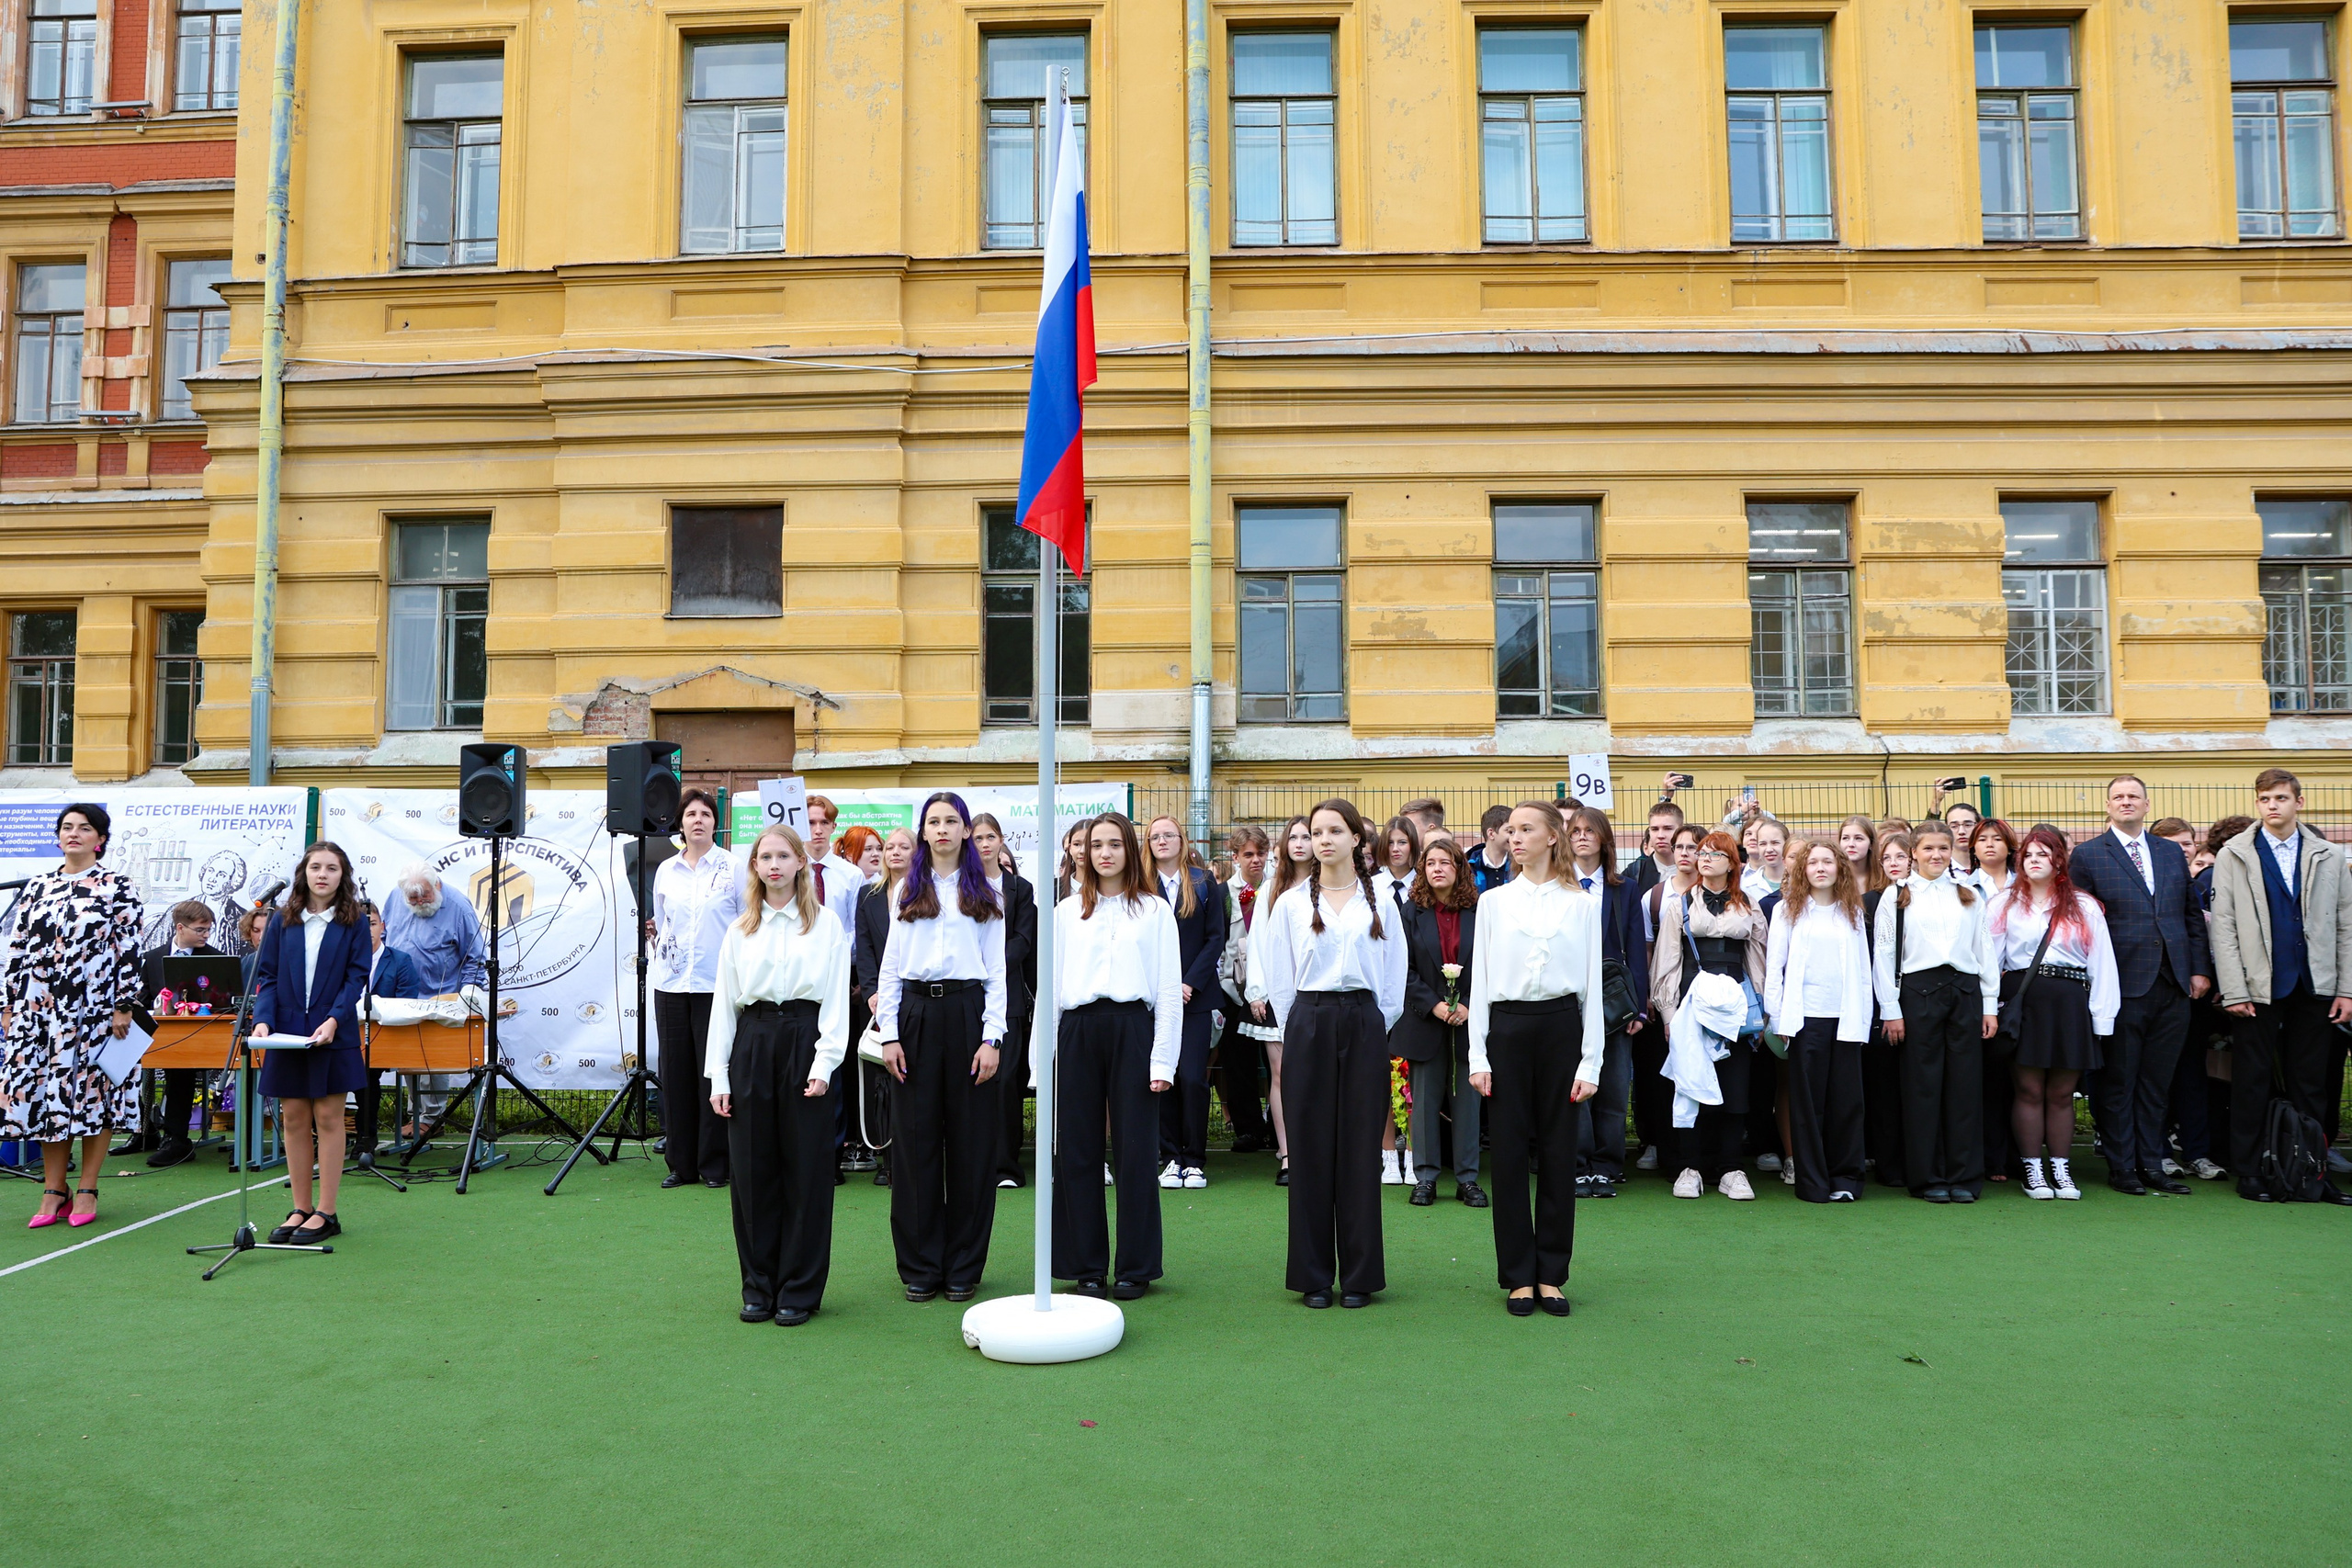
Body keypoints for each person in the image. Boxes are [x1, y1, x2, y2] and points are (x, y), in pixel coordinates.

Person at [1258, 798, 1408, 1309]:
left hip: (1365, 1022)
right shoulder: (1292, 904)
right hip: (1310, 1021)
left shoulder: (1382, 901)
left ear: (1356, 840)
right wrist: (1304, 1023)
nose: (1322, 840)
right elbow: (1280, 978)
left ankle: (1361, 1276)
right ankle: (1313, 1276)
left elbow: (1393, 979)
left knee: (1360, 1152)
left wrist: (1369, 1025)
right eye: (1315, 832)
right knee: (1311, 1149)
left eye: (1334, 831)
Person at [707, 824, 851, 1326]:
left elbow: (835, 999)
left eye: (782, 856)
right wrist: (718, 1077)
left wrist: (824, 1062)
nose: (773, 865)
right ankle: (758, 1286)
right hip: (752, 1041)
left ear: (799, 864)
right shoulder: (739, 929)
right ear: (753, 866)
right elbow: (723, 1006)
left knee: (808, 1173)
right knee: (751, 1172)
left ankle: (800, 1289)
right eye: (764, 856)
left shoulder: (826, 925)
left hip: (805, 1040)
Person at [1469, 802, 1604, 1316]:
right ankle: (1517, 1275)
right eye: (1511, 831)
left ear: (1554, 837)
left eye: (1527, 829)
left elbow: (1591, 985)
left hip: (1561, 1030)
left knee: (1557, 1150)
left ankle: (1551, 1272)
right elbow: (1479, 983)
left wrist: (1589, 1062)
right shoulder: (1494, 903)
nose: (1515, 838)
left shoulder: (1582, 903)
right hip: (1507, 1029)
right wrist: (1478, 1054)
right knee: (1505, 1155)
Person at [875, 792, 1009, 1303]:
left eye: (953, 821)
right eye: (934, 822)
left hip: (969, 1014)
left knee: (972, 1148)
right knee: (915, 1144)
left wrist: (991, 1037)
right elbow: (890, 966)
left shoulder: (988, 891)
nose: (944, 830)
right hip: (914, 1017)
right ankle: (921, 1265)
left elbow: (997, 971)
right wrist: (889, 1033)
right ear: (923, 831)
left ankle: (963, 1267)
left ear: (966, 830)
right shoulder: (906, 888)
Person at [1050, 813, 1182, 1298]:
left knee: (1135, 1153)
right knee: (1077, 1152)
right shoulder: (1065, 912)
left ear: (1130, 849)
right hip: (1078, 1030)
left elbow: (1168, 989)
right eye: (1094, 845)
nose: (1103, 853)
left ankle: (1135, 1265)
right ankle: (1085, 1265)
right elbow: (1049, 989)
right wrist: (1040, 1064)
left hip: (1133, 1028)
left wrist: (1162, 1061)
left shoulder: (1153, 911)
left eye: (1113, 844)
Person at [2208, 768, 2352, 1203]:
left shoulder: (2329, 855)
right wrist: (2234, 989)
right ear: (2258, 804)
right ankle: (2252, 1172)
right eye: (2266, 799)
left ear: (2299, 803)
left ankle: (2314, 1173)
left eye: (2281, 798)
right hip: (2256, 988)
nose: (2273, 806)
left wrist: (2346, 989)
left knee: (2313, 1084)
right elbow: (2225, 927)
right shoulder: (2235, 853)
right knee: (2251, 1081)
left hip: (2316, 985)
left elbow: (2346, 925)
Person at [2065, 775, 2212, 1196]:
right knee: (2119, 1081)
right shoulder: (2090, 855)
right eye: (2118, 797)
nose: (2126, 802)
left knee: (2156, 1082)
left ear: (2147, 805)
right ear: (2107, 807)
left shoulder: (2169, 852)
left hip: (2173, 983)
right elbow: (2081, 924)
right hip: (2121, 983)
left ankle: (2152, 1164)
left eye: (2133, 796)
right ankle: (2122, 1166)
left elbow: (2189, 915)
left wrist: (2198, 970)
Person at [3, 804, 144, 1230]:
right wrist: (9, 1004)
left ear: (100, 839)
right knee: (49, 1093)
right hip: (39, 1011)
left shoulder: (116, 886)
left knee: (93, 1094)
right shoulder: (37, 886)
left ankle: (86, 1186)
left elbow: (130, 949)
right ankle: (52, 1187)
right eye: (67, 827)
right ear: (57, 835)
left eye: (85, 828)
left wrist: (124, 1005)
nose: (74, 834)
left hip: (96, 1010)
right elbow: (18, 947)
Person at [250, 841, 372, 1246]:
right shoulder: (284, 919)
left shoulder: (352, 921)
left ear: (343, 875)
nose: (323, 874)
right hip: (287, 1032)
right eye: (316, 867)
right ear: (304, 872)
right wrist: (264, 1020)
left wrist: (335, 1019)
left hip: (331, 1030)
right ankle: (300, 1207)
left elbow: (356, 978)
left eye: (332, 868)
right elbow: (266, 976)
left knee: (329, 1118)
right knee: (294, 1118)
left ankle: (327, 1211)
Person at [1872, 822, 2000, 1203]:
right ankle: (1927, 1177)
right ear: (1913, 852)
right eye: (1928, 849)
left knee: (1964, 1087)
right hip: (1916, 995)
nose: (1936, 856)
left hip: (1964, 994)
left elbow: (1985, 950)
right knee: (1922, 1088)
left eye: (1943, 849)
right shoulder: (1896, 896)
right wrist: (1891, 1008)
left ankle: (1963, 1176)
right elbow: (1884, 955)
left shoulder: (1970, 894)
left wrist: (1990, 1004)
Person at [1990, 827, 2119, 1202]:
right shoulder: (2003, 905)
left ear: (2059, 859)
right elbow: (1989, 962)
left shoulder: (2084, 906)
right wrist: (1990, 1009)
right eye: (2028, 854)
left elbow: (2102, 965)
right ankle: (2032, 1167)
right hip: (2023, 1002)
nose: (2034, 860)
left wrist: (2102, 1019)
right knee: (2028, 1089)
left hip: (2069, 1004)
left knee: (2063, 1093)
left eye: (2043, 854)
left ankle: (2061, 1168)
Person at [1652, 830, 1770, 1200]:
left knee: (1735, 1087)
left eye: (1715, 853)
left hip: (1735, 1006)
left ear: (1732, 862)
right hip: (1691, 1005)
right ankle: (1690, 1167)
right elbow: (1667, 961)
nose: (1704, 858)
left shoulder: (1749, 904)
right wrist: (1669, 1014)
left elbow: (1758, 959)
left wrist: (1763, 1010)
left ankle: (1732, 1168)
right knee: (1690, 1083)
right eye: (1702, 852)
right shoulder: (1680, 904)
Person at [1763, 839, 1873, 1202]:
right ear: (1803, 870)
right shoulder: (1786, 911)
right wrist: (1779, 1018)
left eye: (1828, 861)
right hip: (1804, 1021)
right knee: (1808, 1105)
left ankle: (1846, 1179)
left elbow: (1862, 971)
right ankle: (1812, 1182)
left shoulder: (1852, 912)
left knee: (1847, 1103)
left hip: (1845, 1020)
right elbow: (1774, 969)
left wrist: (1863, 1018)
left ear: (1840, 867)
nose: (1821, 868)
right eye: (1813, 863)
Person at [649, 789, 740, 1190]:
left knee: (713, 1074)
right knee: (677, 1073)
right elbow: (661, 920)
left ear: (715, 822)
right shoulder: (666, 870)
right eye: (690, 814)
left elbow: (744, 925)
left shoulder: (734, 868)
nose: (698, 820)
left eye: (705, 814)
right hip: (670, 985)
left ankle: (715, 1164)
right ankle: (681, 1164)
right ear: (680, 823)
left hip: (716, 987)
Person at [1395, 836, 1484, 1208]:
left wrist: (1469, 1005)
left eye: (1445, 862)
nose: (1437, 869)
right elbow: (1401, 967)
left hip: (1469, 1020)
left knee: (1467, 1103)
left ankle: (1467, 1179)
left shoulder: (1480, 911)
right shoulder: (1410, 911)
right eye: (1430, 863)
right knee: (1427, 1104)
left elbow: (1491, 964)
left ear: (1459, 868)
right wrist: (1433, 1005)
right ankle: (1426, 1177)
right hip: (1425, 1019)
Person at [1565, 807, 1647, 1197]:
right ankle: (1577, 1164)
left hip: (1614, 1002)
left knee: (1613, 1086)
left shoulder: (1624, 888)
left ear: (1603, 839)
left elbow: (1635, 948)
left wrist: (1639, 1008)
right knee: (1575, 1085)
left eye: (1589, 831)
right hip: (1568, 1000)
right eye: (1575, 831)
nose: (1582, 837)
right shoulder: (1558, 885)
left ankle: (1608, 1165)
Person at [1145, 815, 1227, 1191]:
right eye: (1155, 836)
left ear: (1182, 840)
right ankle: (1170, 1158)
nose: (1162, 841)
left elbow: (1215, 939)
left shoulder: (1202, 881)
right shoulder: (1139, 884)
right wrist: (1163, 985)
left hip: (1194, 998)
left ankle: (1194, 1159)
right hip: (1152, 1000)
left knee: (1193, 1078)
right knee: (1163, 1078)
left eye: (1169, 835)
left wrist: (1189, 982)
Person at [383, 861, 488, 1140]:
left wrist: (466, 995)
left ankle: (432, 1118)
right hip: (402, 995)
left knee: (435, 1059)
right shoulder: (395, 897)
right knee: (408, 1059)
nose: (418, 903)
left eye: (425, 896)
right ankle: (416, 1116)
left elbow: (475, 956)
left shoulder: (459, 907)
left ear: (436, 885)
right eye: (412, 898)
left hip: (442, 997)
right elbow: (382, 936)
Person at [120, 898, 220, 1168]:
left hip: (196, 1038)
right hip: (157, 1034)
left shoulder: (214, 958)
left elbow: (223, 1001)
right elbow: (143, 996)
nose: (206, 935)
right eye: (201, 930)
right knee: (118, 1064)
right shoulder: (153, 957)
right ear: (180, 927)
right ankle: (146, 1129)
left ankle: (177, 1139)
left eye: (208, 929)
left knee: (181, 1069)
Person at [1246, 815, 1315, 1185]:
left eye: (1308, 836)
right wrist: (1258, 990)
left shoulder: (1328, 885)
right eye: (1295, 837)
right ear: (1284, 845)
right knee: (1281, 1074)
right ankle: (1288, 1154)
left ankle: (1315, 1150)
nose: (1301, 843)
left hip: (1317, 996)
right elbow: (1259, 940)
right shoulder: (1271, 888)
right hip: (1277, 994)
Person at [971, 814, 1038, 1190]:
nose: (984, 844)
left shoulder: (1020, 887)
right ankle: (972, 1166)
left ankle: (1006, 1167)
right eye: (978, 837)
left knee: (1005, 1082)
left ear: (1001, 840)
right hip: (966, 997)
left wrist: (986, 963)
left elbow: (1023, 940)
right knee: (972, 1083)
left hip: (1008, 998)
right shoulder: (958, 885)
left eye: (990, 836)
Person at [1633, 822, 1703, 1174]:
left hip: (1704, 995)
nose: (1686, 854)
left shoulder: (1718, 892)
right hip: (1665, 998)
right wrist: (1649, 994)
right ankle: (1660, 1145)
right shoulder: (1655, 896)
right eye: (1680, 848)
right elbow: (1646, 947)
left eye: (1693, 847)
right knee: (1660, 1075)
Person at [848, 828, 917, 1190]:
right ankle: (886, 1158)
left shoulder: (927, 892)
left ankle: (912, 1155)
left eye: (903, 847)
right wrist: (874, 991)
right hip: (877, 1004)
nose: (894, 852)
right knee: (881, 1083)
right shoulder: (867, 895)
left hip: (917, 1001)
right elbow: (866, 947)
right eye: (890, 847)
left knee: (910, 1076)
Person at [1214, 825, 1277, 1154]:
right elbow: (1220, 940)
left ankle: (1278, 1129)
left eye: (1261, 854)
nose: (1255, 860)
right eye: (1248, 854)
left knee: (1275, 1061)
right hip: (1233, 990)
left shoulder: (1278, 889)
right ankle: (1248, 1128)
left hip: (1270, 990)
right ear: (1235, 856)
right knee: (1238, 1063)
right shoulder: (1224, 893)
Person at [1860, 830, 1912, 1187]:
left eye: (1900, 857)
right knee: (1883, 1088)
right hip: (1881, 1002)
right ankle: (1888, 1163)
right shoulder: (1869, 901)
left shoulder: (1930, 897)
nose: (1894, 864)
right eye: (1887, 859)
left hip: (1922, 1000)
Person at [802, 795, 866, 937]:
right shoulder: (791, 871)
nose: (818, 830)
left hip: (841, 953)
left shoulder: (852, 875)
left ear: (833, 827)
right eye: (811, 823)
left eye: (824, 822)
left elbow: (858, 926)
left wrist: (839, 951)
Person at [1631, 800, 1684, 897]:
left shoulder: (1698, 870)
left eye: (1668, 829)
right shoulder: (1634, 872)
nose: (1660, 835)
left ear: (1681, 830)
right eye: (1655, 829)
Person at [1740, 817, 1788, 904]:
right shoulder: (1745, 885)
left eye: (1775, 843)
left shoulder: (1802, 882)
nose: (1769, 849)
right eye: (1763, 844)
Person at [1468, 805, 1515, 893]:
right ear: (1491, 834)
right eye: (1510, 831)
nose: (1515, 837)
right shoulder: (1468, 867)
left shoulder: (1519, 865)